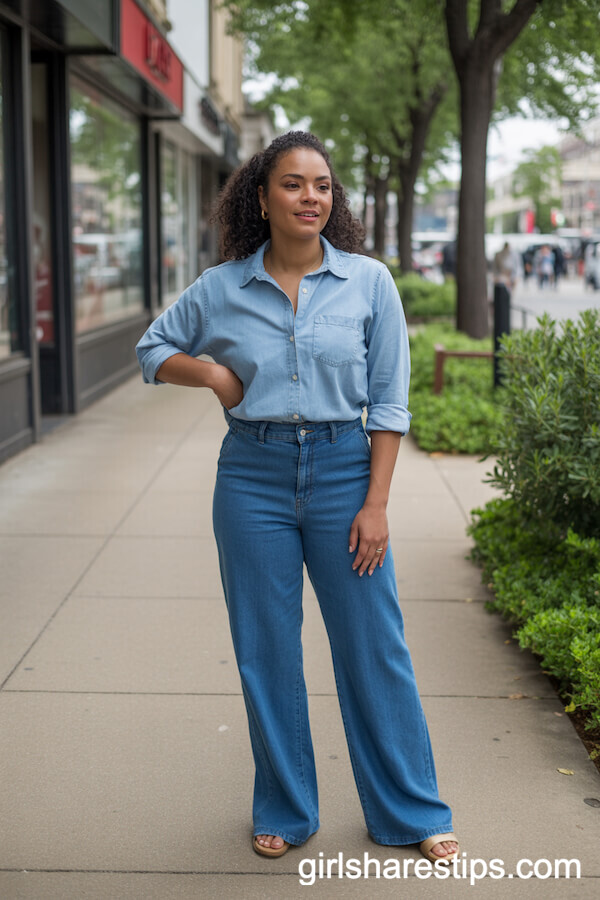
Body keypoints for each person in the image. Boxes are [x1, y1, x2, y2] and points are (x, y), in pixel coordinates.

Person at [136, 131, 458, 865]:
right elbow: (153, 348)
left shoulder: (370, 282)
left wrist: (375, 503)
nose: (310, 196)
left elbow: (389, 401)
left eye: (321, 184)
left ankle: (412, 809)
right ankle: (285, 806)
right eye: (292, 183)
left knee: (376, 646)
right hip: (252, 477)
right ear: (261, 196)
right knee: (266, 650)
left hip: (347, 472)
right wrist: (215, 377)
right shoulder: (222, 287)